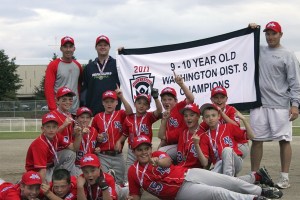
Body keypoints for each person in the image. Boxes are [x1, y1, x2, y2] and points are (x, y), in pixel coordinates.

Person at [127, 135, 282, 200]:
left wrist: (157, 162)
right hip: (180, 192)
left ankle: (261, 190)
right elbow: (135, 194)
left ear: (150, 148)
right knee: (217, 193)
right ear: (134, 152)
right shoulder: (133, 171)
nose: (144, 152)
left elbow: (167, 162)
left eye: (146, 148)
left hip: (189, 173)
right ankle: (254, 198)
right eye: (139, 150)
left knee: (228, 181)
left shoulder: (157, 154)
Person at [249, 21, 300, 189]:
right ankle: (254, 175)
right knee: (256, 140)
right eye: (267, 34)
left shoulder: (288, 54)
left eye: (274, 33)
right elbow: (245, 44)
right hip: (259, 104)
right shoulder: (260, 50)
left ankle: (284, 177)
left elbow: (295, 83)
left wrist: (295, 105)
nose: (270, 37)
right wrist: (251, 29)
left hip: (280, 105)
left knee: (284, 140)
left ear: (281, 34)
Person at [193, 103, 254, 176]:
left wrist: (243, 119)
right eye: (207, 116)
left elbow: (251, 136)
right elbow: (205, 163)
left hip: (235, 162)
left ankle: (228, 179)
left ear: (219, 116)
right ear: (203, 119)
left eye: (213, 115)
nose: (211, 118)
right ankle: (250, 178)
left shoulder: (229, 127)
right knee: (212, 174)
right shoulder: (205, 136)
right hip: (220, 166)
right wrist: (196, 145)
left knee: (227, 150)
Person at [92, 86, 133, 186]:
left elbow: (130, 112)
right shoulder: (98, 117)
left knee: (120, 183)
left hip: (117, 155)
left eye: (112, 101)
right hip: (102, 155)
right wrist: (97, 138)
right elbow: (92, 135)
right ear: (102, 103)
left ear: (116, 102)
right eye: (106, 101)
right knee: (104, 182)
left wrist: (122, 97)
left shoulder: (121, 114)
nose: (109, 104)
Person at [25, 112, 82, 182]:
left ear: (57, 128)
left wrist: (78, 135)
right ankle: (27, 180)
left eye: (54, 127)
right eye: (48, 127)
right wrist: (44, 188)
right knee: (48, 184)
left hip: (50, 164)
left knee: (71, 153)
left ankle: (63, 176)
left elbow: (74, 148)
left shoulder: (57, 136)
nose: (51, 130)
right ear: (42, 129)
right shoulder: (39, 144)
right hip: (36, 170)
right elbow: (42, 169)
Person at [117, 91, 162, 176]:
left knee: (146, 172)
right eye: (139, 103)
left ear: (148, 107)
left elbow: (159, 110)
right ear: (135, 104)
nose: (141, 105)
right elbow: (125, 134)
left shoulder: (149, 116)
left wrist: (156, 98)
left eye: (145, 104)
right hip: (132, 151)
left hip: (145, 150)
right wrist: (119, 141)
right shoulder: (129, 118)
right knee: (129, 173)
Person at [200, 86, 249, 158]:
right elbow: (201, 129)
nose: (219, 100)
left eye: (222, 97)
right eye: (216, 97)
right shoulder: (210, 113)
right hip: (220, 144)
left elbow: (236, 127)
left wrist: (222, 114)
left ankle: (230, 167)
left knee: (224, 149)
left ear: (226, 99)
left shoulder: (231, 110)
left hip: (237, 144)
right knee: (209, 145)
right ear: (211, 99)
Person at [157, 70, 195, 161]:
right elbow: (162, 137)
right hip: (173, 144)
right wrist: (157, 150)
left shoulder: (179, 107)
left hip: (184, 143)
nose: (166, 102)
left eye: (170, 99)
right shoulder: (165, 115)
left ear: (176, 100)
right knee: (159, 153)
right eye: (164, 99)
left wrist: (181, 84)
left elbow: (191, 98)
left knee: (162, 153)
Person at [81, 35, 121, 116]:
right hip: (94, 112)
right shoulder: (89, 67)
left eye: (105, 45)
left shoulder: (118, 64)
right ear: (96, 47)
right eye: (100, 45)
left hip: (114, 112)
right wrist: (84, 107)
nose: (102, 47)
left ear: (109, 47)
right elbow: (84, 90)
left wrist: (123, 54)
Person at [158, 103, 205, 169]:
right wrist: (165, 119)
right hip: (180, 167)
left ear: (198, 116)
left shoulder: (203, 134)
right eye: (185, 116)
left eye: (192, 115)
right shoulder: (182, 131)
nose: (188, 118)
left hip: (194, 170)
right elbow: (161, 136)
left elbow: (205, 163)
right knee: (160, 153)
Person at [44, 36, 83, 115]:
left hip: (75, 110)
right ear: (61, 49)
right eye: (65, 47)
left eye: (70, 47)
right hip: (59, 111)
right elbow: (48, 89)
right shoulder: (53, 65)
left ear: (74, 48)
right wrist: (53, 109)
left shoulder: (78, 66)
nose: (68, 50)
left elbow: (79, 87)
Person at [74, 107, 98, 172]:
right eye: (82, 117)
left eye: (87, 118)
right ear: (76, 119)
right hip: (77, 165)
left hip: (91, 164)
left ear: (90, 119)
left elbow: (96, 145)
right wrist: (80, 134)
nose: (85, 120)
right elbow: (75, 148)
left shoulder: (94, 130)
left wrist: (98, 149)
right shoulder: (74, 131)